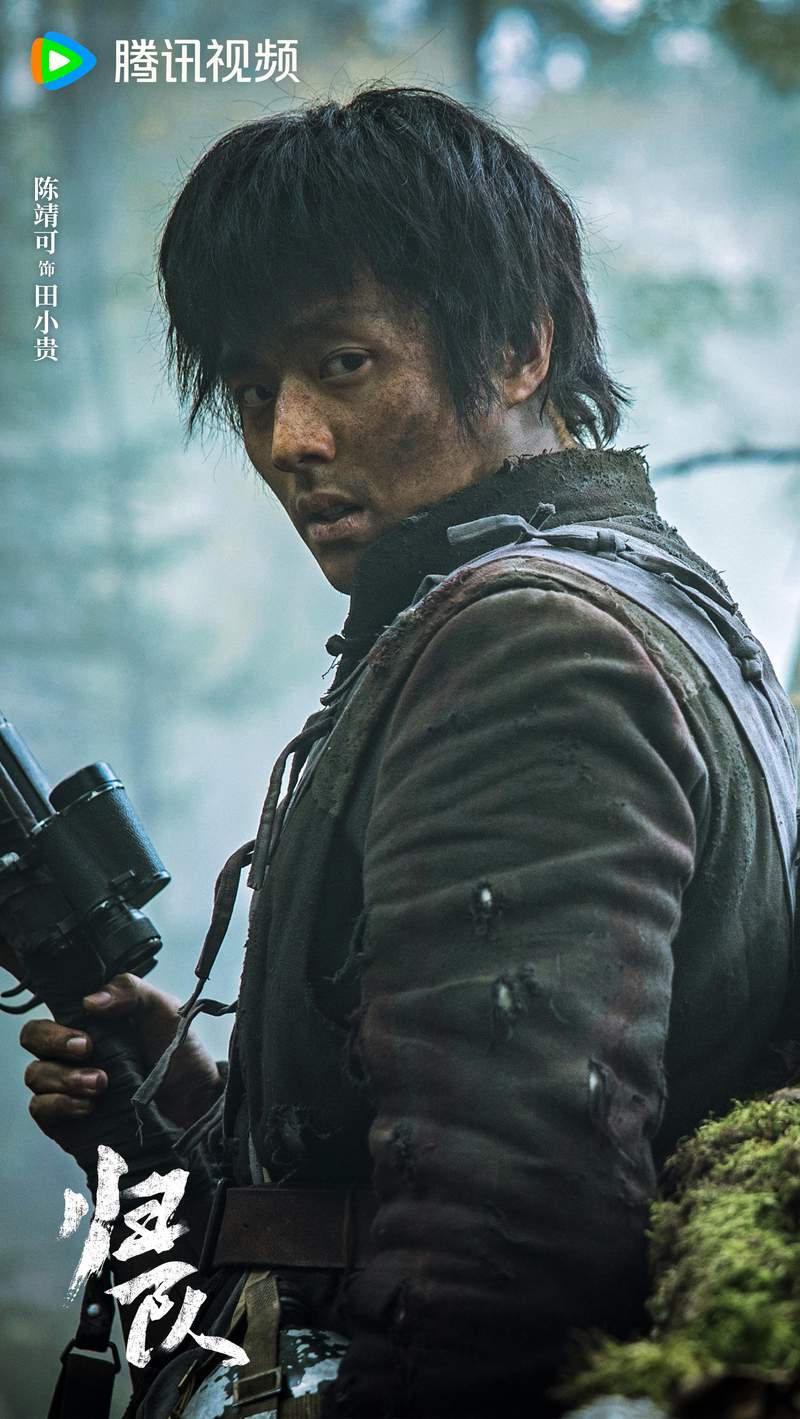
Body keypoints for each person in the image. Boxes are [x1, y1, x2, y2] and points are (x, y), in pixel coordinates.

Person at [16, 87, 798, 1419]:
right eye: (253, 391)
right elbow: (411, 1165)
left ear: (518, 350)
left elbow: (498, 1258)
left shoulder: (529, 646)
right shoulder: (652, 594)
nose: (289, 443)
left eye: (343, 364)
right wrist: (188, 1111)